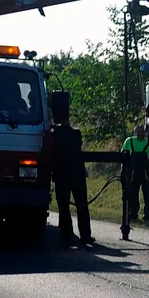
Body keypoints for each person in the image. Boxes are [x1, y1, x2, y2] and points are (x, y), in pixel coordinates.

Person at [49, 93, 92, 246]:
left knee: (64, 207)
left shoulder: (55, 134)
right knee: (81, 206)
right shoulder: (76, 133)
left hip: (62, 174)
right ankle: (85, 235)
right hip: (77, 174)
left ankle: (67, 234)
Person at [122, 124, 149, 223]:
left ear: (145, 133)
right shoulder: (129, 141)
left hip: (146, 173)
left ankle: (148, 217)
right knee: (132, 195)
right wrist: (124, 171)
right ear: (135, 132)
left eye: (142, 132)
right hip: (132, 173)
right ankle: (133, 215)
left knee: (148, 195)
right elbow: (123, 157)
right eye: (138, 132)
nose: (140, 134)